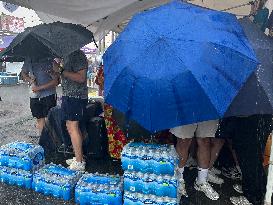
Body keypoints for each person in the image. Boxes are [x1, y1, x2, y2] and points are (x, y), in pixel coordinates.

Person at [53, 50, 88, 171]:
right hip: (68, 96)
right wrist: (56, 73)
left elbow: (81, 78)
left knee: (73, 127)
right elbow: (66, 76)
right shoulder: (66, 56)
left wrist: (61, 70)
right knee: (70, 126)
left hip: (76, 97)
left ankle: (79, 162)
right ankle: (79, 157)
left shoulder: (77, 55)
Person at [170, 119, 220, 201]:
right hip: (185, 107)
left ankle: (201, 181)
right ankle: (178, 180)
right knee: (183, 140)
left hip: (207, 109)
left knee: (205, 140)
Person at [21, 57, 59, 135]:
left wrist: (39, 88)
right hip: (34, 96)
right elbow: (23, 73)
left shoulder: (50, 60)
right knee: (39, 118)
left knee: (49, 119)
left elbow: (56, 81)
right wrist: (30, 80)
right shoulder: (29, 59)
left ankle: (52, 140)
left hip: (48, 95)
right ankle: (43, 139)